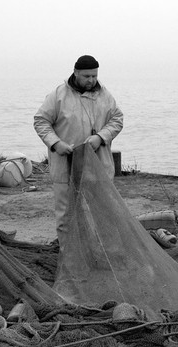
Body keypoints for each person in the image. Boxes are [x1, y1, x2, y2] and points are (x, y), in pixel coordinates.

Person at [33, 55, 124, 246]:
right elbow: (41, 121)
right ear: (75, 73)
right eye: (86, 76)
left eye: (94, 76)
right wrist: (56, 144)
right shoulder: (58, 95)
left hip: (98, 167)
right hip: (65, 167)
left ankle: (103, 253)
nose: (91, 80)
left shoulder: (105, 95)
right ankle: (69, 257)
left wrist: (101, 137)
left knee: (103, 212)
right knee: (66, 215)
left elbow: (117, 119)